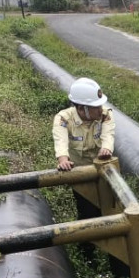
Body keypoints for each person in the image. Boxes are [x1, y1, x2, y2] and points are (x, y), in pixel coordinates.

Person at [52, 77, 115, 221]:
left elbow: (108, 135)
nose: (100, 110)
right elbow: (60, 140)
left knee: (108, 205)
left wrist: (106, 149)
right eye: (96, 107)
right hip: (79, 170)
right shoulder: (63, 119)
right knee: (87, 208)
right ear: (81, 108)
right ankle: (87, 240)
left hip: (101, 166)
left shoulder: (105, 115)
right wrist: (63, 159)